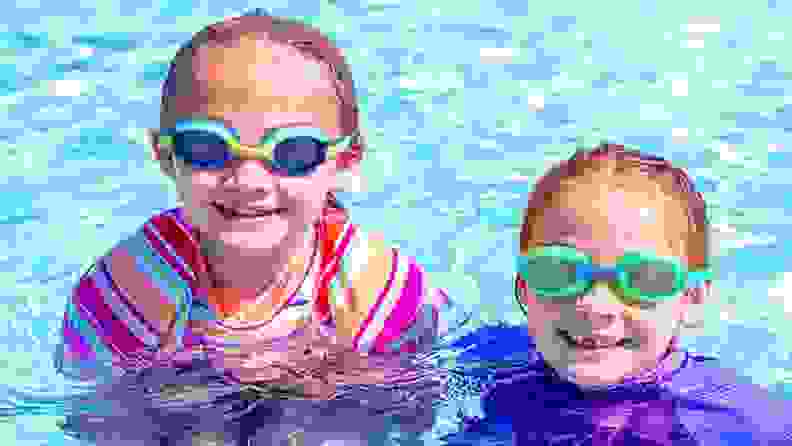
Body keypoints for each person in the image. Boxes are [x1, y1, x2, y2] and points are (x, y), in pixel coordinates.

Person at [54, 11, 464, 385]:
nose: (248, 180)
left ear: (344, 162)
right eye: (207, 147)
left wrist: (352, 381)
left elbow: (436, 395)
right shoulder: (130, 288)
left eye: (294, 152)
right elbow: (92, 417)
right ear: (166, 157)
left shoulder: (378, 289)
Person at [443, 144, 792, 445]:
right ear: (524, 290)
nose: (595, 306)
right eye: (560, 271)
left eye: (642, 278)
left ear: (692, 299)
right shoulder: (487, 363)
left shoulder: (742, 422)